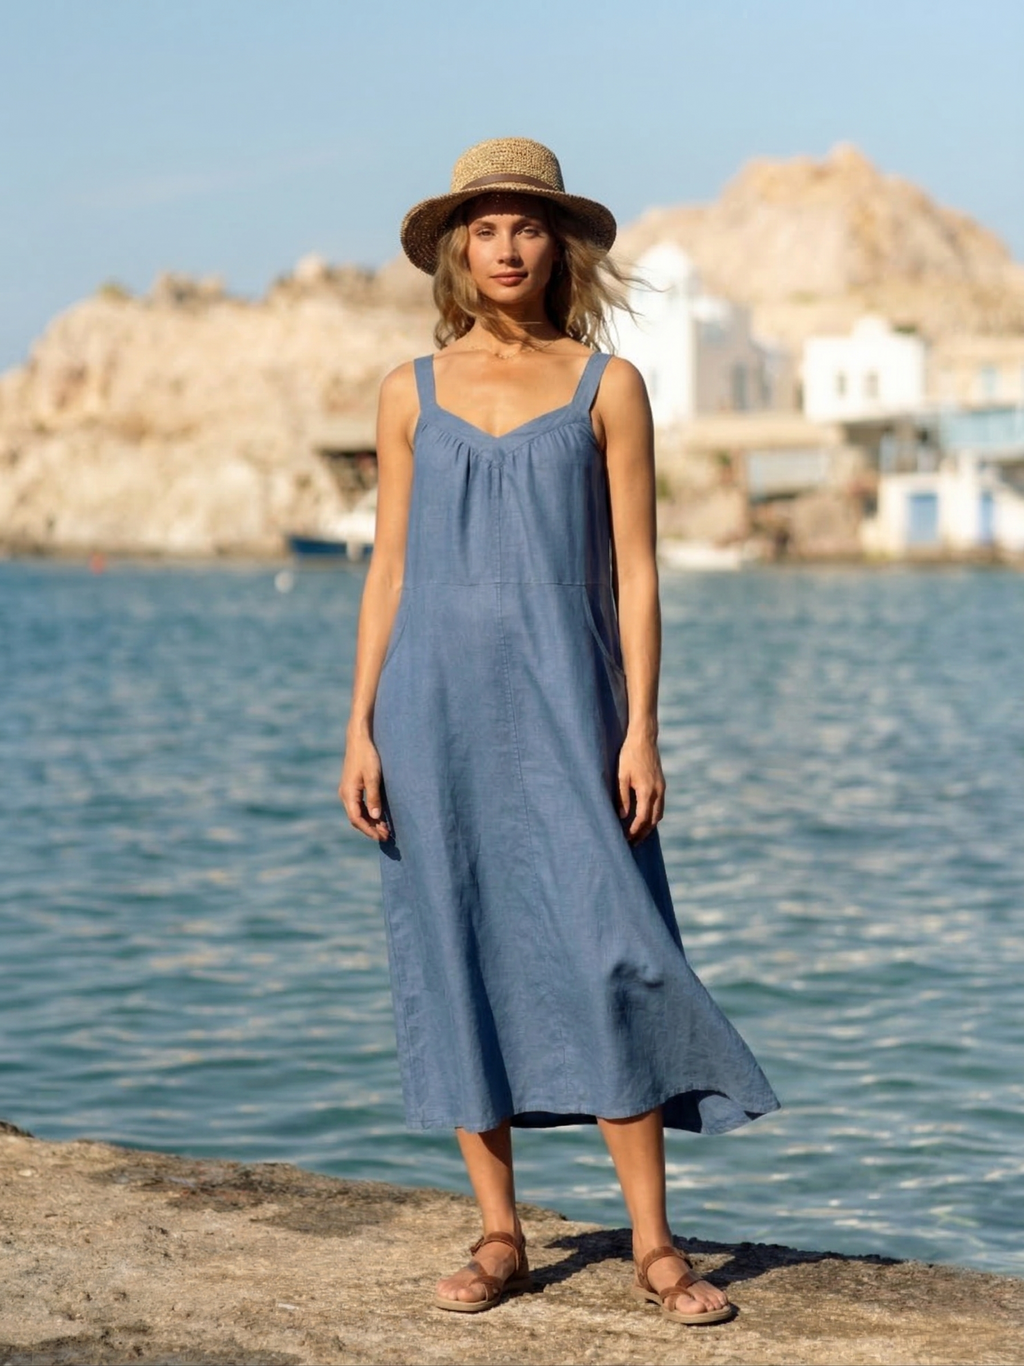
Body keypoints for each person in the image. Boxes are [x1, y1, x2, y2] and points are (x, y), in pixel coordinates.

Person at [339, 137, 779, 1325]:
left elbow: (638, 573)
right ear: (455, 250)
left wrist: (642, 728)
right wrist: (359, 726)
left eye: (527, 226)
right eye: (484, 228)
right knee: (457, 942)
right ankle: (500, 1234)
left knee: (610, 950)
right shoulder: (408, 391)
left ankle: (654, 1244)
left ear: (558, 246)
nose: (506, 248)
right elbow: (388, 570)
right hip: (431, 709)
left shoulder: (607, 386)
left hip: (573, 706)